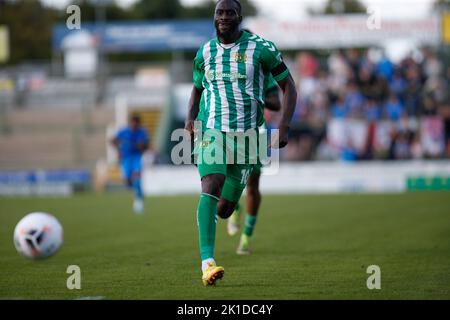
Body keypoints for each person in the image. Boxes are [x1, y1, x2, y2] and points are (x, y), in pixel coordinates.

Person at [185, 0, 297, 286]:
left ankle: (232, 214)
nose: (223, 18)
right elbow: (197, 89)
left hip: (248, 138)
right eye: (219, 13)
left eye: (229, 13)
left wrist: (283, 126)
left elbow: (288, 86)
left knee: (224, 208)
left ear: (239, 17)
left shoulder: (261, 49)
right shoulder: (205, 51)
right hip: (212, 130)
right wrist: (190, 121)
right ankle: (207, 262)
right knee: (210, 184)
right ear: (214, 17)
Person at [227, 65, 282, 256]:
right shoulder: (221, 68)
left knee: (252, 186)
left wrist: (252, 96)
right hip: (223, 130)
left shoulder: (263, 75)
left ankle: (245, 238)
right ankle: (234, 206)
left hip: (254, 133)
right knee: (220, 179)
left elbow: (276, 103)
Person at [111, 114, 149, 214]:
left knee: (137, 177)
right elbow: (113, 140)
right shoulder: (124, 131)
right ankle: (137, 192)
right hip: (126, 158)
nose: (134, 125)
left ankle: (139, 200)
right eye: (132, 123)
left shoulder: (142, 132)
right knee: (128, 179)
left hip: (136, 157)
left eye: (136, 124)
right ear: (130, 123)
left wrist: (141, 146)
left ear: (138, 124)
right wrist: (118, 150)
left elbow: (145, 145)